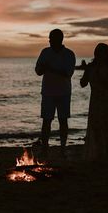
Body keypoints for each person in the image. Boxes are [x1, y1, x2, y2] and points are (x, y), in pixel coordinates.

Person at [35, 29, 76, 157]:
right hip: (47, 92)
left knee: (63, 121)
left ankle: (63, 148)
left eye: (52, 39)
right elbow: (38, 70)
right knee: (46, 121)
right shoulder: (45, 52)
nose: (49, 41)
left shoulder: (69, 54)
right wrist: (43, 68)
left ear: (60, 39)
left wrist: (50, 68)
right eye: (49, 38)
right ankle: (45, 148)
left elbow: (68, 73)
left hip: (63, 92)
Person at [80, 43, 108, 163]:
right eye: (97, 53)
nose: (99, 55)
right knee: (96, 128)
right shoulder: (91, 67)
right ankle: (99, 155)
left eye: (101, 53)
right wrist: (86, 73)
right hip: (96, 101)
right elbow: (83, 84)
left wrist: (99, 76)